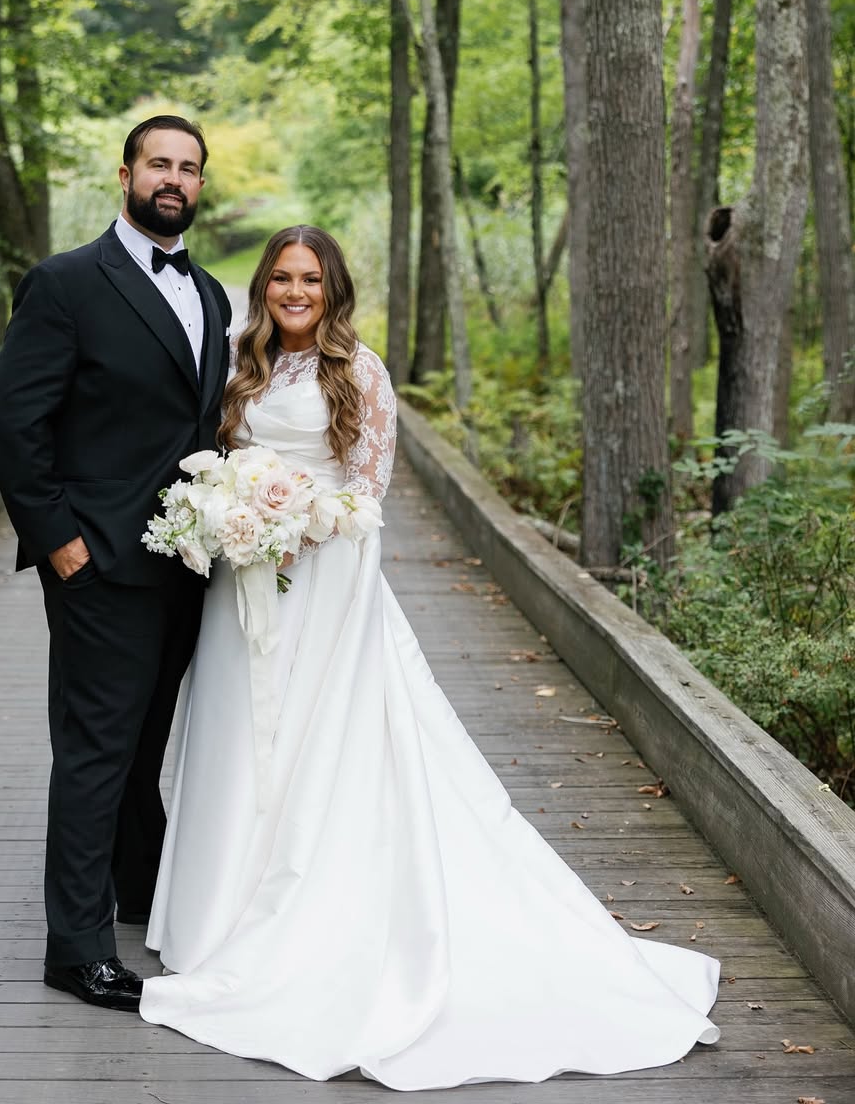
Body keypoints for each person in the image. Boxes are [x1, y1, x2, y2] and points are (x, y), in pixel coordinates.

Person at [138, 224, 720, 1086]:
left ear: (333, 291)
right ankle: (216, 915)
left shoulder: (359, 371)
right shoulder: (238, 361)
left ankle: (304, 913)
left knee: (316, 741)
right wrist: (233, 513)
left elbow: (365, 493)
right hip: (241, 583)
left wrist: (295, 525)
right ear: (263, 287)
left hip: (325, 582)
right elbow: (222, 457)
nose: (294, 294)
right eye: (281, 280)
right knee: (232, 737)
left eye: (310, 281)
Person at [0, 115, 231, 1012]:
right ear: (125, 174)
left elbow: (202, 427)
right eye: (159, 164)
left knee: (143, 747)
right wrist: (61, 545)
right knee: (94, 751)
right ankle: (76, 946)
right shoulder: (64, 284)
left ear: (201, 185)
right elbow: (15, 424)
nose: (173, 179)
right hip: (96, 562)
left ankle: (138, 890)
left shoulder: (209, 294)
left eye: (189, 168)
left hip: (188, 563)